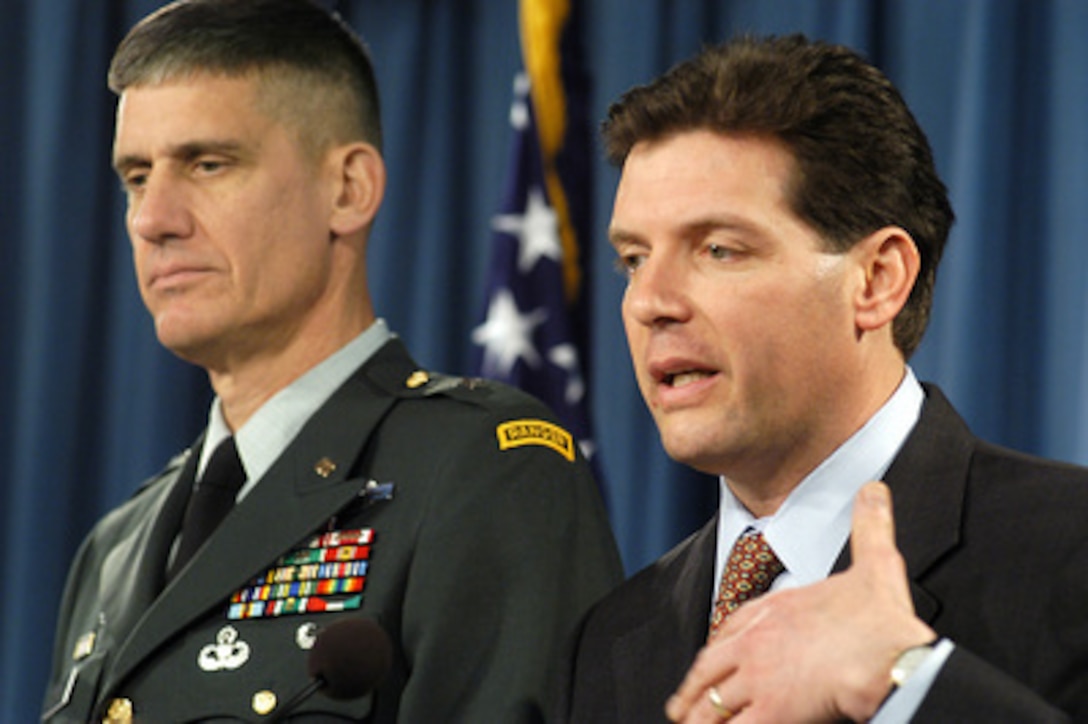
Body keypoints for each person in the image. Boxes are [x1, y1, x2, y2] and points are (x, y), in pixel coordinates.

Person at [40, 1, 623, 721]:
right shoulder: (115, 545)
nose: (153, 219)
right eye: (136, 176)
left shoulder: (481, 470)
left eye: (209, 164)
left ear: (348, 189)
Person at [558, 34, 1088, 723]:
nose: (650, 301)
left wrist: (908, 684)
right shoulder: (611, 639)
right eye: (633, 258)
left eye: (719, 249)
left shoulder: (1071, 550)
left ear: (876, 280)